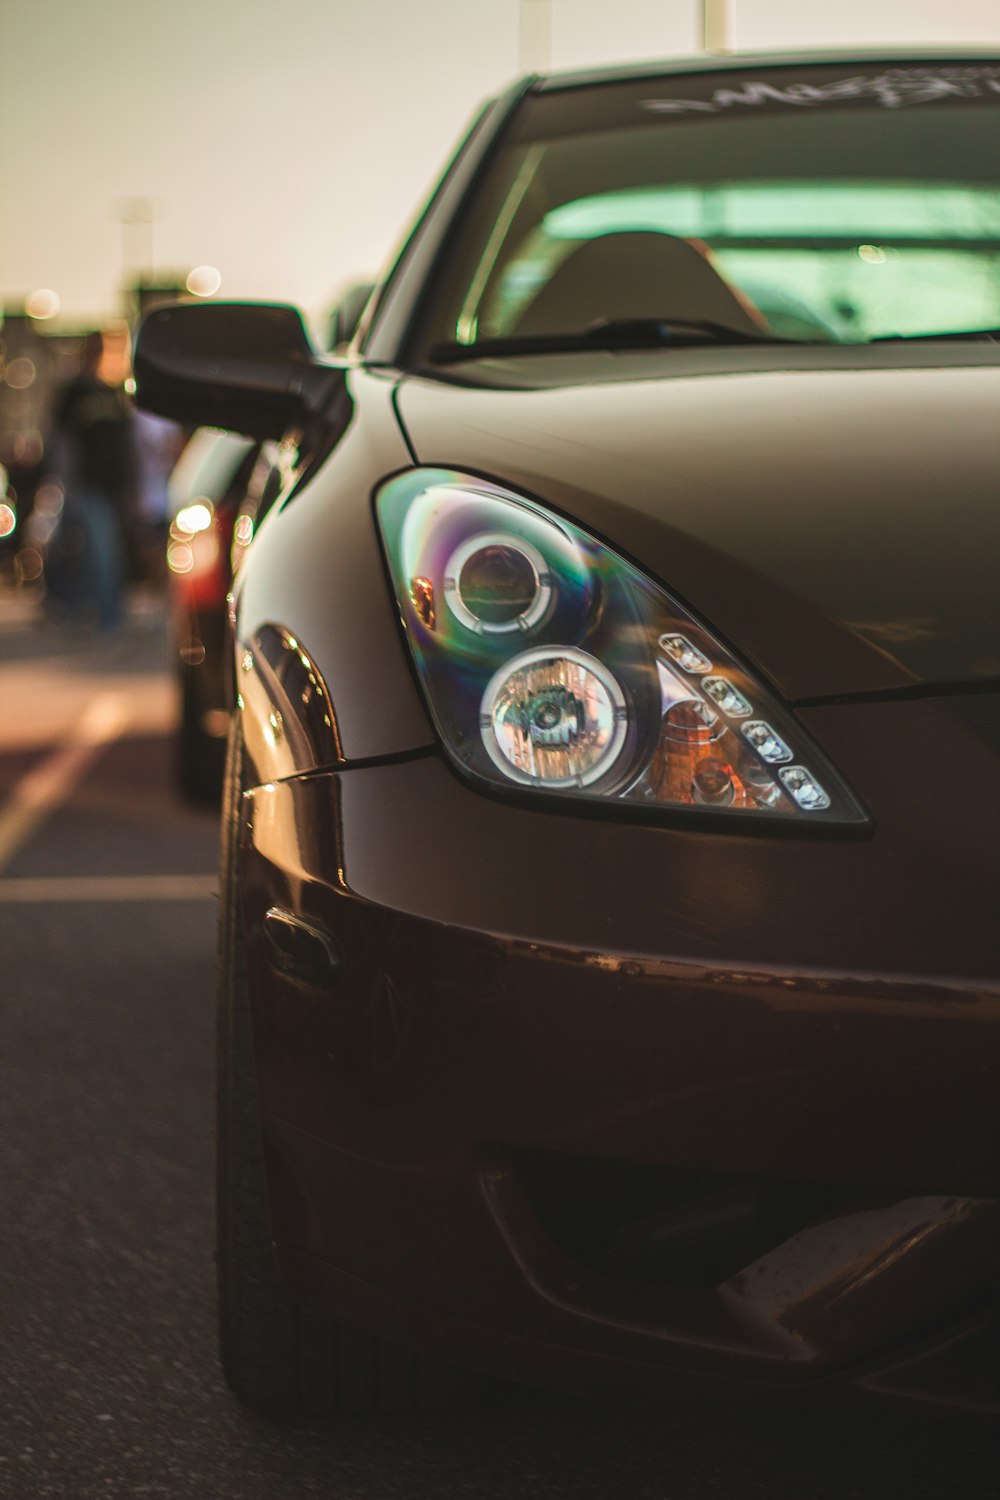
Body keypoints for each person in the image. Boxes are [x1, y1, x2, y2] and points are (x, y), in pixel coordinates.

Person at [46, 329, 138, 629]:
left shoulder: (114, 392)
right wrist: (65, 484)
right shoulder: (73, 392)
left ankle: (99, 615)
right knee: (92, 550)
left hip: (114, 486)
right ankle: (100, 616)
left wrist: (133, 486)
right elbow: (61, 442)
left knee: (105, 550)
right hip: (85, 484)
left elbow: (128, 445)